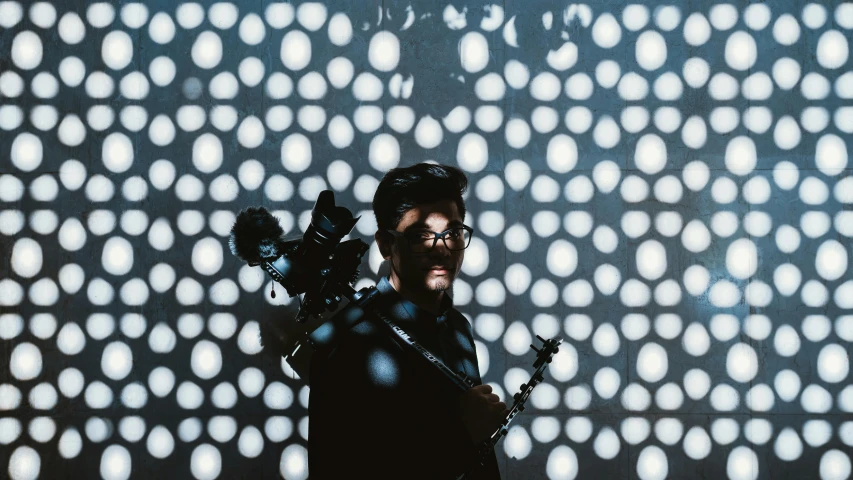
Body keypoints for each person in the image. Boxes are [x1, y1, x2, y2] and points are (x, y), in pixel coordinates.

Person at [308, 163, 505, 479]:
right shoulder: (350, 344)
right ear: (387, 245)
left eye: (453, 232)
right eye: (421, 235)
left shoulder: (457, 327)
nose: (441, 249)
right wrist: (461, 431)